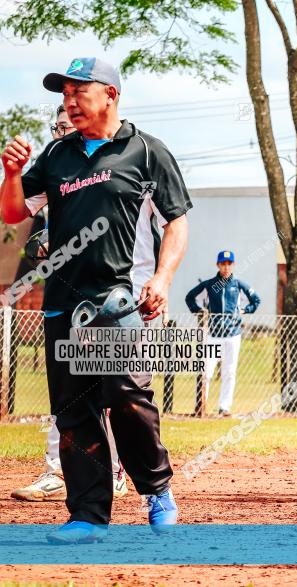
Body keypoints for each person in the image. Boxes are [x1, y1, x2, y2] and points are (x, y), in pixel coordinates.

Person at [0, 57, 191, 544]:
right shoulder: (57, 155)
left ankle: (156, 489)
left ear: (110, 94)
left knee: (126, 396)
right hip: (64, 303)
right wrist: (13, 172)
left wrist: (164, 278)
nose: (68, 102)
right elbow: (14, 213)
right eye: (64, 94)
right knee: (74, 410)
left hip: (121, 300)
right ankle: (87, 515)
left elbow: (177, 221)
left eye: (78, 92)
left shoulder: (147, 153)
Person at [11, 105, 128, 503]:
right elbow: (23, 219)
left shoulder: (122, 166)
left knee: (116, 393)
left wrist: (154, 285)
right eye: (58, 125)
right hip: (66, 298)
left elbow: (155, 233)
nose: (61, 131)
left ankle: (114, 468)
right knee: (69, 393)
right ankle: (57, 470)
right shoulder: (56, 172)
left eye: (66, 125)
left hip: (121, 298)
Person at [185, 250, 261, 416]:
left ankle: (224, 407)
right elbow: (190, 297)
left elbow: (256, 300)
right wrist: (199, 311)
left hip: (233, 334)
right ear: (218, 265)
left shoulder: (238, 285)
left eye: (229, 264)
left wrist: (245, 310)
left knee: (229, 372)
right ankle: (201, 406)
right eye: (223, 264)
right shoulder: (210, 284)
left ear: (233, 265)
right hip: (213, 335)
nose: (226, 267)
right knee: (207, 371)